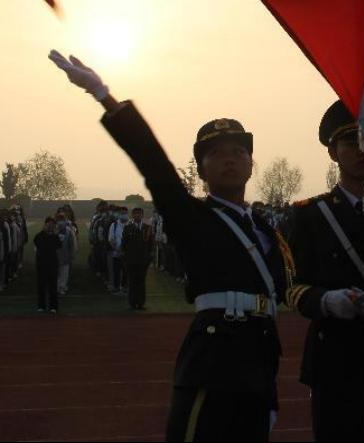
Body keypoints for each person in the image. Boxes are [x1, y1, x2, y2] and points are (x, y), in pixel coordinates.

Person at [49, 50, 292, 442]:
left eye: (239, 152)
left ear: (251, 164)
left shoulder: (264, 227)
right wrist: (102, 94)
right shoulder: (191, 216)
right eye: (216, 154)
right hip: (213, 361)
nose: (230, 160)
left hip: (260, 360)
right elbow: (153, 163)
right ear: (201, 171)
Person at [286, 101, 364, 441]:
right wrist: (327, 301)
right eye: (351, 142)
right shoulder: (311, 215)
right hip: (334, 352)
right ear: (333, 153)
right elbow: (292, 287)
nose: (361, 150)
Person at [122, 207, 154, 310]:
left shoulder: (147, 228)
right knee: (132, 281)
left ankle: (140, 303)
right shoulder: (128, 228)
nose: (137, 215)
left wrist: (149, 258)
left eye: (139, 214)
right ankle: (132, 303)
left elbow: (151, 245)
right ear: (132, 215)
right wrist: (126, 258)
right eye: (135, 214)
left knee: (141, 281)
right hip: (131, 260)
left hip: (143, 260)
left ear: (142, 215)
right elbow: (124, 245)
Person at [34, 217, 62, 313]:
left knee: (53, 286)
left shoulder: (55, 237)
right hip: (42, 264)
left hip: (52, 264)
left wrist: (55, 234)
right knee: (41, 286)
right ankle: (41, 305)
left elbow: (59, 246)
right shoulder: (39, 236)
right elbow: (37, 244)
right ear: (45, 225)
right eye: (48, 224)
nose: (50, 226)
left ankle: (53, 306)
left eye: (52, 225)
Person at [108, 207, 128, 295]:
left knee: (126, 271)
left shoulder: (130, 224)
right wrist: (117, 249)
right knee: (116, 271)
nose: (124, 215)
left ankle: (124, 287)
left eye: (125, 213)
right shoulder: (114, 225)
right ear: (119, 214)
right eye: (122, 213)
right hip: (117, 252)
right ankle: (116, 287)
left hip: (127, 253)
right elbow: (111, 239)